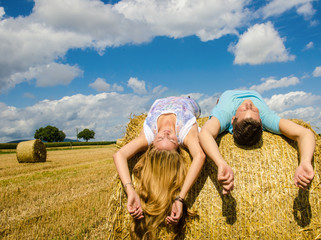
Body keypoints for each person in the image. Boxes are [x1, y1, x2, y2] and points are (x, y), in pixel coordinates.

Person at [113, 96, 205, 239]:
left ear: (153, 144)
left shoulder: (149, 135)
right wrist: (180, 198)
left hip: (161, 100)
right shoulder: (185, 131)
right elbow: (200, 156)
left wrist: (130, 190)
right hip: (189, 101)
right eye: (171, 139)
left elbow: (119, 155)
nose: (166, 133)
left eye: (161, 138)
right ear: (178, 147)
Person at [199, 90, 316, 195]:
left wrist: (220, 163)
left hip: (228, 96)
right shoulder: (267, 118)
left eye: (245, 110)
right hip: (251, 94)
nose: (249, 104)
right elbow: (305, 133)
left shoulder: (226, 113)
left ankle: (218, 104)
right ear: (261, 121)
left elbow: (205, 132)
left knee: (217, 114)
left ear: (233, 119)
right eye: (253, 110)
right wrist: (305, 161)